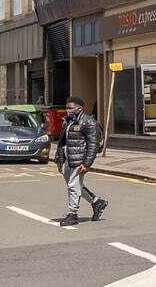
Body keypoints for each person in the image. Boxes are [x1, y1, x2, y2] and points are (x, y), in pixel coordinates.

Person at [56, 97, 108, 227]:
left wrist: (87, 163)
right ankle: (96, 202)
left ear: (80, 108)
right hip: (68, 158)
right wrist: (59, 159)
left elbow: (93, 145)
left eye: (71, 108)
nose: (68, 110)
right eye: (67, 107)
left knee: (73, 186)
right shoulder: (67, 121)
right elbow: (62, 141)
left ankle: (72, 214)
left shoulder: (88, 122)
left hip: (79, 159)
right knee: (74, 185)